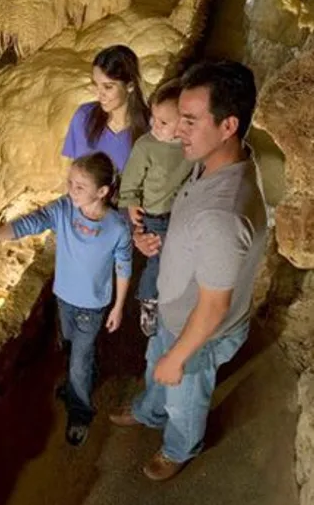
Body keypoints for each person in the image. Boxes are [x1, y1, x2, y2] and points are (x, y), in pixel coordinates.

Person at [110, 61, 267, 482]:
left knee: (185, 397)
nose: (179, 130)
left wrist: (179, 355)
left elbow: (214, 306)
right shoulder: (210, 162)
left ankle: (180, 447)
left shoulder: (222, 214)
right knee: (155, 369)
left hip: (199, 334)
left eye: (191, 121)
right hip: (174, 312)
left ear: (228, 124)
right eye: (180, 118)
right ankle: (148, 410)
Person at [0, 152, 131, 447]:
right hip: (64, 299)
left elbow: (123, 265)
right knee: (71, 349)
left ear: (102, 192)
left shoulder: (117, 228)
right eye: (70, 182)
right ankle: (78, 382)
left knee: (79, 363)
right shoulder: (63, 210)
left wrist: (120, 305)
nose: (71, 190)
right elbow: (26, 224)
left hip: (93, 306)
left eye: (79, 187)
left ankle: (80, 412)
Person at [117, 79, 193, 337]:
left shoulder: (189, 146)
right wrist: (131, 205)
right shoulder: (146, 146)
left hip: (179, 213)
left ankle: (172, 298)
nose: (154, 126)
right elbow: (130, 182)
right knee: (159, 260)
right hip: (155, 216)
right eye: (153, 118)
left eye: (163, 122)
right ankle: (148, 300)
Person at [63, 45, 150, 172]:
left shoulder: (153, 127)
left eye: (108, 87)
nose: (99, 94)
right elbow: (72, 172)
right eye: (96, 84)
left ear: (130, 86)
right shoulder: (83, 117)